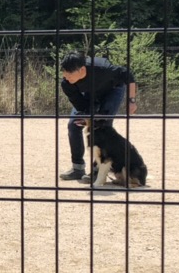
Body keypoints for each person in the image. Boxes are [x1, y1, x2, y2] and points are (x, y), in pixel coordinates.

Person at [58, 50, 138, 181]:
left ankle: (98, 170)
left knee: (103, 126)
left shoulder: (102, 69)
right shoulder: (67, 83)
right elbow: (80, 104)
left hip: (113, 90)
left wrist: (132, 100)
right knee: (73, 125)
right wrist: (87, 115)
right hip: (90, 94)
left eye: (69, 72)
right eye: (64, 72)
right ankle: (77, 168)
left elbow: (127, 74)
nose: (66, 76)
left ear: (82, 69)